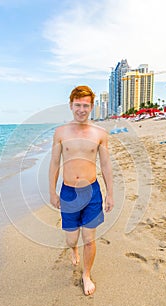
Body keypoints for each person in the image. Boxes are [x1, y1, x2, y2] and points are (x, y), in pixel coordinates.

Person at [49, 85, 113, 295]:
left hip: (92, 193)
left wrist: (110, 194)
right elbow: (54, 164)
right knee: (71, 239)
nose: (81, 109)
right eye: (78, 105)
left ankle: (86, 275)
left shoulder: (100, 133)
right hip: (68, 193)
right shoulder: (61, 132)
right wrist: (52, 191)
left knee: (89, 238)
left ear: (92, 107)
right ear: (71, 105)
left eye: (86, 105)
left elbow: (105, 165)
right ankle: (73, 250)